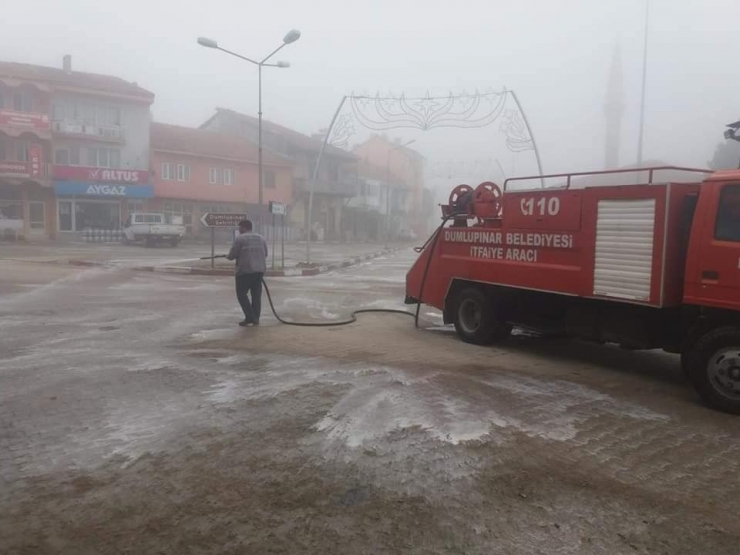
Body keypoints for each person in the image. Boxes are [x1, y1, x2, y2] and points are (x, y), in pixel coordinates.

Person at [227, 220, 268, 326]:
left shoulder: (240, 238)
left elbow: (232, 255)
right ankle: (256, 318)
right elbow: (266, 254)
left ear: (244, 227)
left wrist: (228, 256)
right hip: (259, 271)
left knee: (241, 294)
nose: (239, 229)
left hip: (245, 271)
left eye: (240, 227)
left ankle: (250, 316)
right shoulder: (261, 238)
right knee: (256, 296)